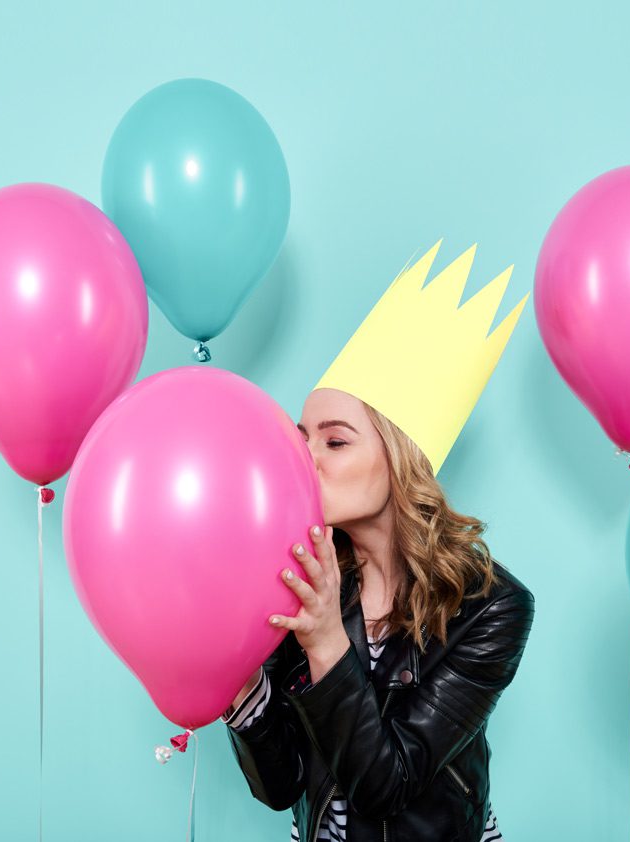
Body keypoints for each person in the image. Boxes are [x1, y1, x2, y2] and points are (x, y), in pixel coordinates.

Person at [221, 243, 533, 841]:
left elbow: (386, 788)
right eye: (301, 438)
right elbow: (282, 787)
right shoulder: (302, 576)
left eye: (334, 443)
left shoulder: (492, 608)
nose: (304, 459)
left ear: (399, 462)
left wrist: (325, 641)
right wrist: (235, 678)